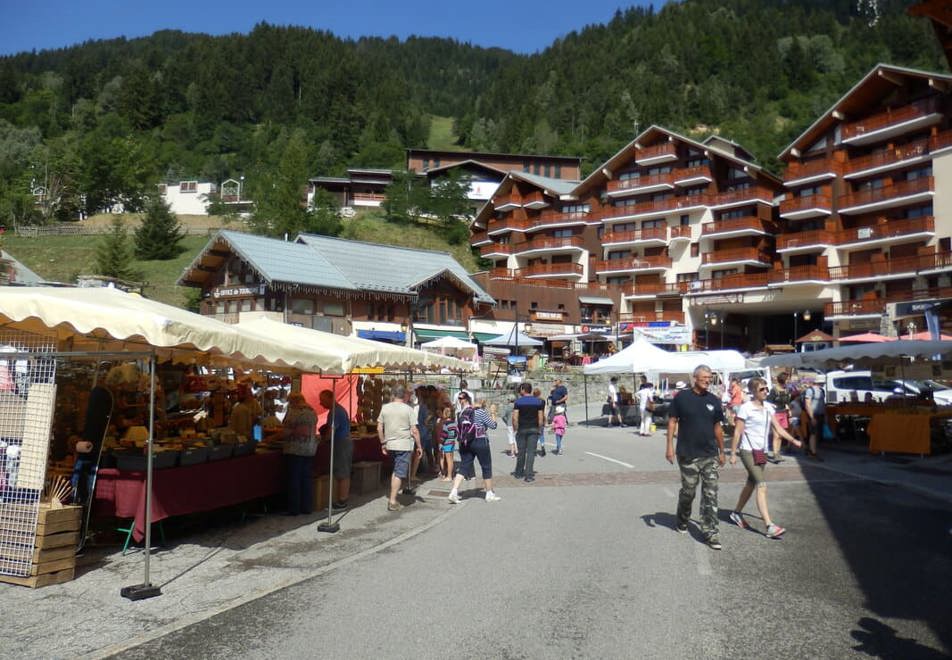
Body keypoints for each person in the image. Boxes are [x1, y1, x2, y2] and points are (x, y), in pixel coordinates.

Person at [729, 378, 803, 538]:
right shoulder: (745, 408)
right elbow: (737, 432)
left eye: (766, 389)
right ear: (754, 391)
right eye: (762, 389)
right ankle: (769, 526)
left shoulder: (769, 408)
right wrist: (733, 453)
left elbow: (778, 428)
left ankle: (736, 513)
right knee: (762, 485)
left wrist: (793, 440)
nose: (765, 392)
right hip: (748, 451)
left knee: (751, 484)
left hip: (761, 452)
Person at [665, 364, 726, 550]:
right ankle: (682, 518)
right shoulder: (681, 398)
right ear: (695, 378)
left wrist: (722, 451)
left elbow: (718, 428)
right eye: (704, 377)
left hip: (709, 454)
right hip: (687, 454)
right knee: (689, 492)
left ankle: (711, 532)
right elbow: (672, 421)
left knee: (711, 494)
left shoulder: (714, 400)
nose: (708, 380)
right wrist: (669, 447)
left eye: (710, 377)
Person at [378, 385, 422, 512]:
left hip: (390, 444)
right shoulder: (408, 410)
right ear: (404, 395)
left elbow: (379, 428)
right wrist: (419, 446)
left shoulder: (385, 408)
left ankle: (393, 496)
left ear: (393, 394)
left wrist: (383, 442)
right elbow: (414, 430)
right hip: (403, 444)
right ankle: (392, 501)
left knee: (396, 470)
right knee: (399, 472)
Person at [448, 393, 500, 503]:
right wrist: (493, 413)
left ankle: (454, 491)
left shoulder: (460, 413)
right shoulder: (481, 412)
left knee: (464, 466)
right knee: (486, 466)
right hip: (480, 441)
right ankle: (489, 493)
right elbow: (493, 425)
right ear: (482, 403)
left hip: (465, 442)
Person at [282, 392, 318, 516]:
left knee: (294, 479)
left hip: (295, 449)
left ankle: (294, 509)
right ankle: (307, 507)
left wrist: (273, 438)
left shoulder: (294, 412)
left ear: (294, 401)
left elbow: (286, 431)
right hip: (309, 449)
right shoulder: (312, 412)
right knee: (306, 479)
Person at [319, 389, 352, 512]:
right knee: (342, 471)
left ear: (330, 398)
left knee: (342, 471)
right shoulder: (337, 410)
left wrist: (322, 441)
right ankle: (342, 498)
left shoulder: (335, 412)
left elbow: (330, 431)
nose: (321, 403)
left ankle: (342, 500)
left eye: (322, 400)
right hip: (342, 442)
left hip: (341, 443)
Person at [512, 382, 545, 482]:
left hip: (522, 428)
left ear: (523, 389)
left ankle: (519, 472)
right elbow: (540, 417)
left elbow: (515, 418)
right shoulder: (538, 402)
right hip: (534, 429)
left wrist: (516, 428)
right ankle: (529, 475)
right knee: (531, 452)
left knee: (521, 452)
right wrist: (539, 428)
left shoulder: (518, 402)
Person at [766, 373, 792, 463]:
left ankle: (778, 453)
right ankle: (775, 454)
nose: (789, 381)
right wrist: (773, 406)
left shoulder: (787, 390)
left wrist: (788, 409)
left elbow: (788, 402)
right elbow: (768, 402)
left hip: (783, 413)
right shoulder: (774, 390)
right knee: (776, 435)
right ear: (784, 380)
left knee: (780, 435)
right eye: (788, 379)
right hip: (775, 414)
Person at [802, 374, 826, 460]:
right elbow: (807, 404)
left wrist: (825, 415)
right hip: (813, 415)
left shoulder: (822, 391)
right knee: (813, 433)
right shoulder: (810, 390)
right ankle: (813, 452)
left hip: (820, 415)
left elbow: (823, 404)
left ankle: (810, 450)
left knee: (816, 434)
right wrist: (812, 417)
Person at [437, 406, 457, 481]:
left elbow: (444, 435)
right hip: (452, 442)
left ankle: (449, 476)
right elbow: (455, 433)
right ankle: (451, 474)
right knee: (451, 460)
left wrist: (441, 443)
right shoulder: (454, 423)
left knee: (448, 460)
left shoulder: (446, 424)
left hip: (447, 443)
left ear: (444, 414)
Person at [533, 387, 547, 456]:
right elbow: (544, 410)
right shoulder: (543, 401)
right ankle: (542, 445)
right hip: (542, 417)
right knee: (541, 434)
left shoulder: (532, 401)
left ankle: (534, 449)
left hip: (534, 418)